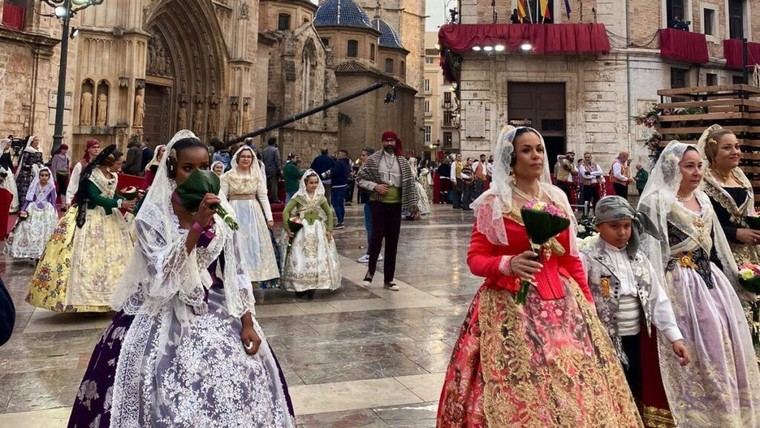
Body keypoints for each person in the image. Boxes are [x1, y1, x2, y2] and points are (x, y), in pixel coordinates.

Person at [67, 130, 295, 427]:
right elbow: (161, 275)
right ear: (173, 169)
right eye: (189, 168)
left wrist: (247, 321)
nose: (199, 175)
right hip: (160, 306)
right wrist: (196, 227)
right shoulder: (153, 215)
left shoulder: (221, 210)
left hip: (211, 303)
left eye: (204, 167)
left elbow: (236, 268)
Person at [437, 126, 642, 427]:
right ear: (511, 158)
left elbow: (570, 258)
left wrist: (588, 306)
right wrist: (508, 263)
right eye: (526, 150)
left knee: (574, 384)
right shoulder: (495, 202)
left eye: (539, 149)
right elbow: (476, 259)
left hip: (564, 304)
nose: (535, 156)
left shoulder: (556, 197)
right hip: (509, 305)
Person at [638, 140, 760, 426]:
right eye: (689, 166)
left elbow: (717, 247)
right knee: (694, 347)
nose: (696, 172)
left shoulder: (703, 199)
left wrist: (738, 279)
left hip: (710, 282)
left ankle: (724, 412)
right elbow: (650, 253)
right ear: (673, 168)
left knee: (721, 344)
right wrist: (655, 298)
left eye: (699, 166)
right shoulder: (657, 202)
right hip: (677, 283)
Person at [579, 196, 689, 412]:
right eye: (614, 226)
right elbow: (582, 299)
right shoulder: (588, 258)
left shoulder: (639, 259)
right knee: (609, 389)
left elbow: (657, 299)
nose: (622, 232)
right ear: (599, 226)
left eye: (627, 226)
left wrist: (675, 337)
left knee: (635, 388)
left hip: (637, 339)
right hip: (603, 340)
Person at [27, 145, 136, 312]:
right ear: (109, 164)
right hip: (90, 216)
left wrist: (125, 198)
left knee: (115, 257)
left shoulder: (113, 176)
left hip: (110, 218)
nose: (121, 167)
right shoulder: (93, 175)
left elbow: (112, 195)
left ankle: (112, 297)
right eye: (119, 164)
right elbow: (94, 197)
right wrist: (120, 203)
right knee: (89, 256)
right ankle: (86, 300)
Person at [698, 125, 760, 357]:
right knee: (731, 309)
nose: (735, 152)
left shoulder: (740, 177)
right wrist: (735, 233)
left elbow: (747, 213)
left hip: (749, 253)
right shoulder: (703, 184)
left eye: (737, 146)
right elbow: (701, 223)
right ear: (712, 153)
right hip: (719, 255)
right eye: (727, 148)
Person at [357, 131, 419, 291]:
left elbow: (410, 184)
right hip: (378, 203)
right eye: (387, 141)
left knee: (393, 241)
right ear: (382, 142)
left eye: (392, 141)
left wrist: (413, 205)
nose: (389, 144)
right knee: (376, 238)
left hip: (396, 205)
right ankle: (370, 273)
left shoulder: (402, 162)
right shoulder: (373, 160)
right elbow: (360, 179)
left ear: (396, 142)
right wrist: (375, 186)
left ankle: (389, 279)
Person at [221, 146, 280, 284]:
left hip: (253, 212)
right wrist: (225, 217)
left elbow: (263, 197)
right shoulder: (227, 176)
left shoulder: (256, 176)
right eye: (243, 156)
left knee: (253, 243)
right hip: (234, 210)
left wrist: (269, 217)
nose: (246, 159)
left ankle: (253, 277)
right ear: (237, 158)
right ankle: (237, 275)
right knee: (236, 243)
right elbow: (222, 198)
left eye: (249, 157)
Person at [281, 170, 341, 298]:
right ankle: (300, 284)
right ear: (305, 183)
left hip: (317, 228)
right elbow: (286, 211)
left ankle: (314, 283)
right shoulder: (299, 196)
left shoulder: (320, 197)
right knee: (301, 253)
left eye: (316, 182)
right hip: (303, 229)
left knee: (318, 253)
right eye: (311, 183)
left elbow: (329, 212)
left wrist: (329, 229)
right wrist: (288, 228)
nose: (314, 185)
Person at [5, 167, 58, 260]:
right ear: (39, 176)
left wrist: (53, 212)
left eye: (46, 175)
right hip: (33, 210)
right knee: (30, 230)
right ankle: (32, 251)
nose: (44, 177)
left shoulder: (51, 187)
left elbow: (53, 201)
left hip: (46, 212)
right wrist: (23, 209)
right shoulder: (34, 186)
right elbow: (29, 199)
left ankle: (41, 251)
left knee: (44, 231)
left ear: (49, 177)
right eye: (42, 175)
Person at [356, 148, 382, 264]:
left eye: (364, 155)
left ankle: (372, 253)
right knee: (371, 227)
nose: (362, 157)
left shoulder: (372, 169)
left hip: (373, 201)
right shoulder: (367, 168)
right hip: (369, 201)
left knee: (371, 228)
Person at [66, 139, 101, 207]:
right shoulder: (80, 165)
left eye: (98, 147)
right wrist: (69, 199)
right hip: (84, 198)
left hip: (99, 198)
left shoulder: (102, 165)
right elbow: (73, 182)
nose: (96, 149)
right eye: (94, 147)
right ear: (88, 149)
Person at [328, 149, 350, 228]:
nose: (338, 155)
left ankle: (340, 221)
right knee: (341, 204)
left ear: (343, 155)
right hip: (343, 185)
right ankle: (341, 220)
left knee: (335, 203)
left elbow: (335, 172)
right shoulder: (346, 163)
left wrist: (330, 172)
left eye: (340, 154)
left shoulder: (339, 162)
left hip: (337, 186)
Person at [0, 138, 19, 213]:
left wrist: (12, 171)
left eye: (10, 144)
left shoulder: (8, 152)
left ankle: (11, 206)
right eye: (8, 144)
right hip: (1, 170)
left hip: (8, 171)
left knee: (11, 187)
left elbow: (9, 162)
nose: (9, 146)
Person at [262, 137, 282, 204]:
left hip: (266, 169)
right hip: (273, 170)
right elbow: (277, 160)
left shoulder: (264, 150)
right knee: (274, 185)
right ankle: (275, 198)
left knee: (266, 185)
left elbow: (262, 160)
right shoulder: (275, 150)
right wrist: (279, 169)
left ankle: (266, 198)